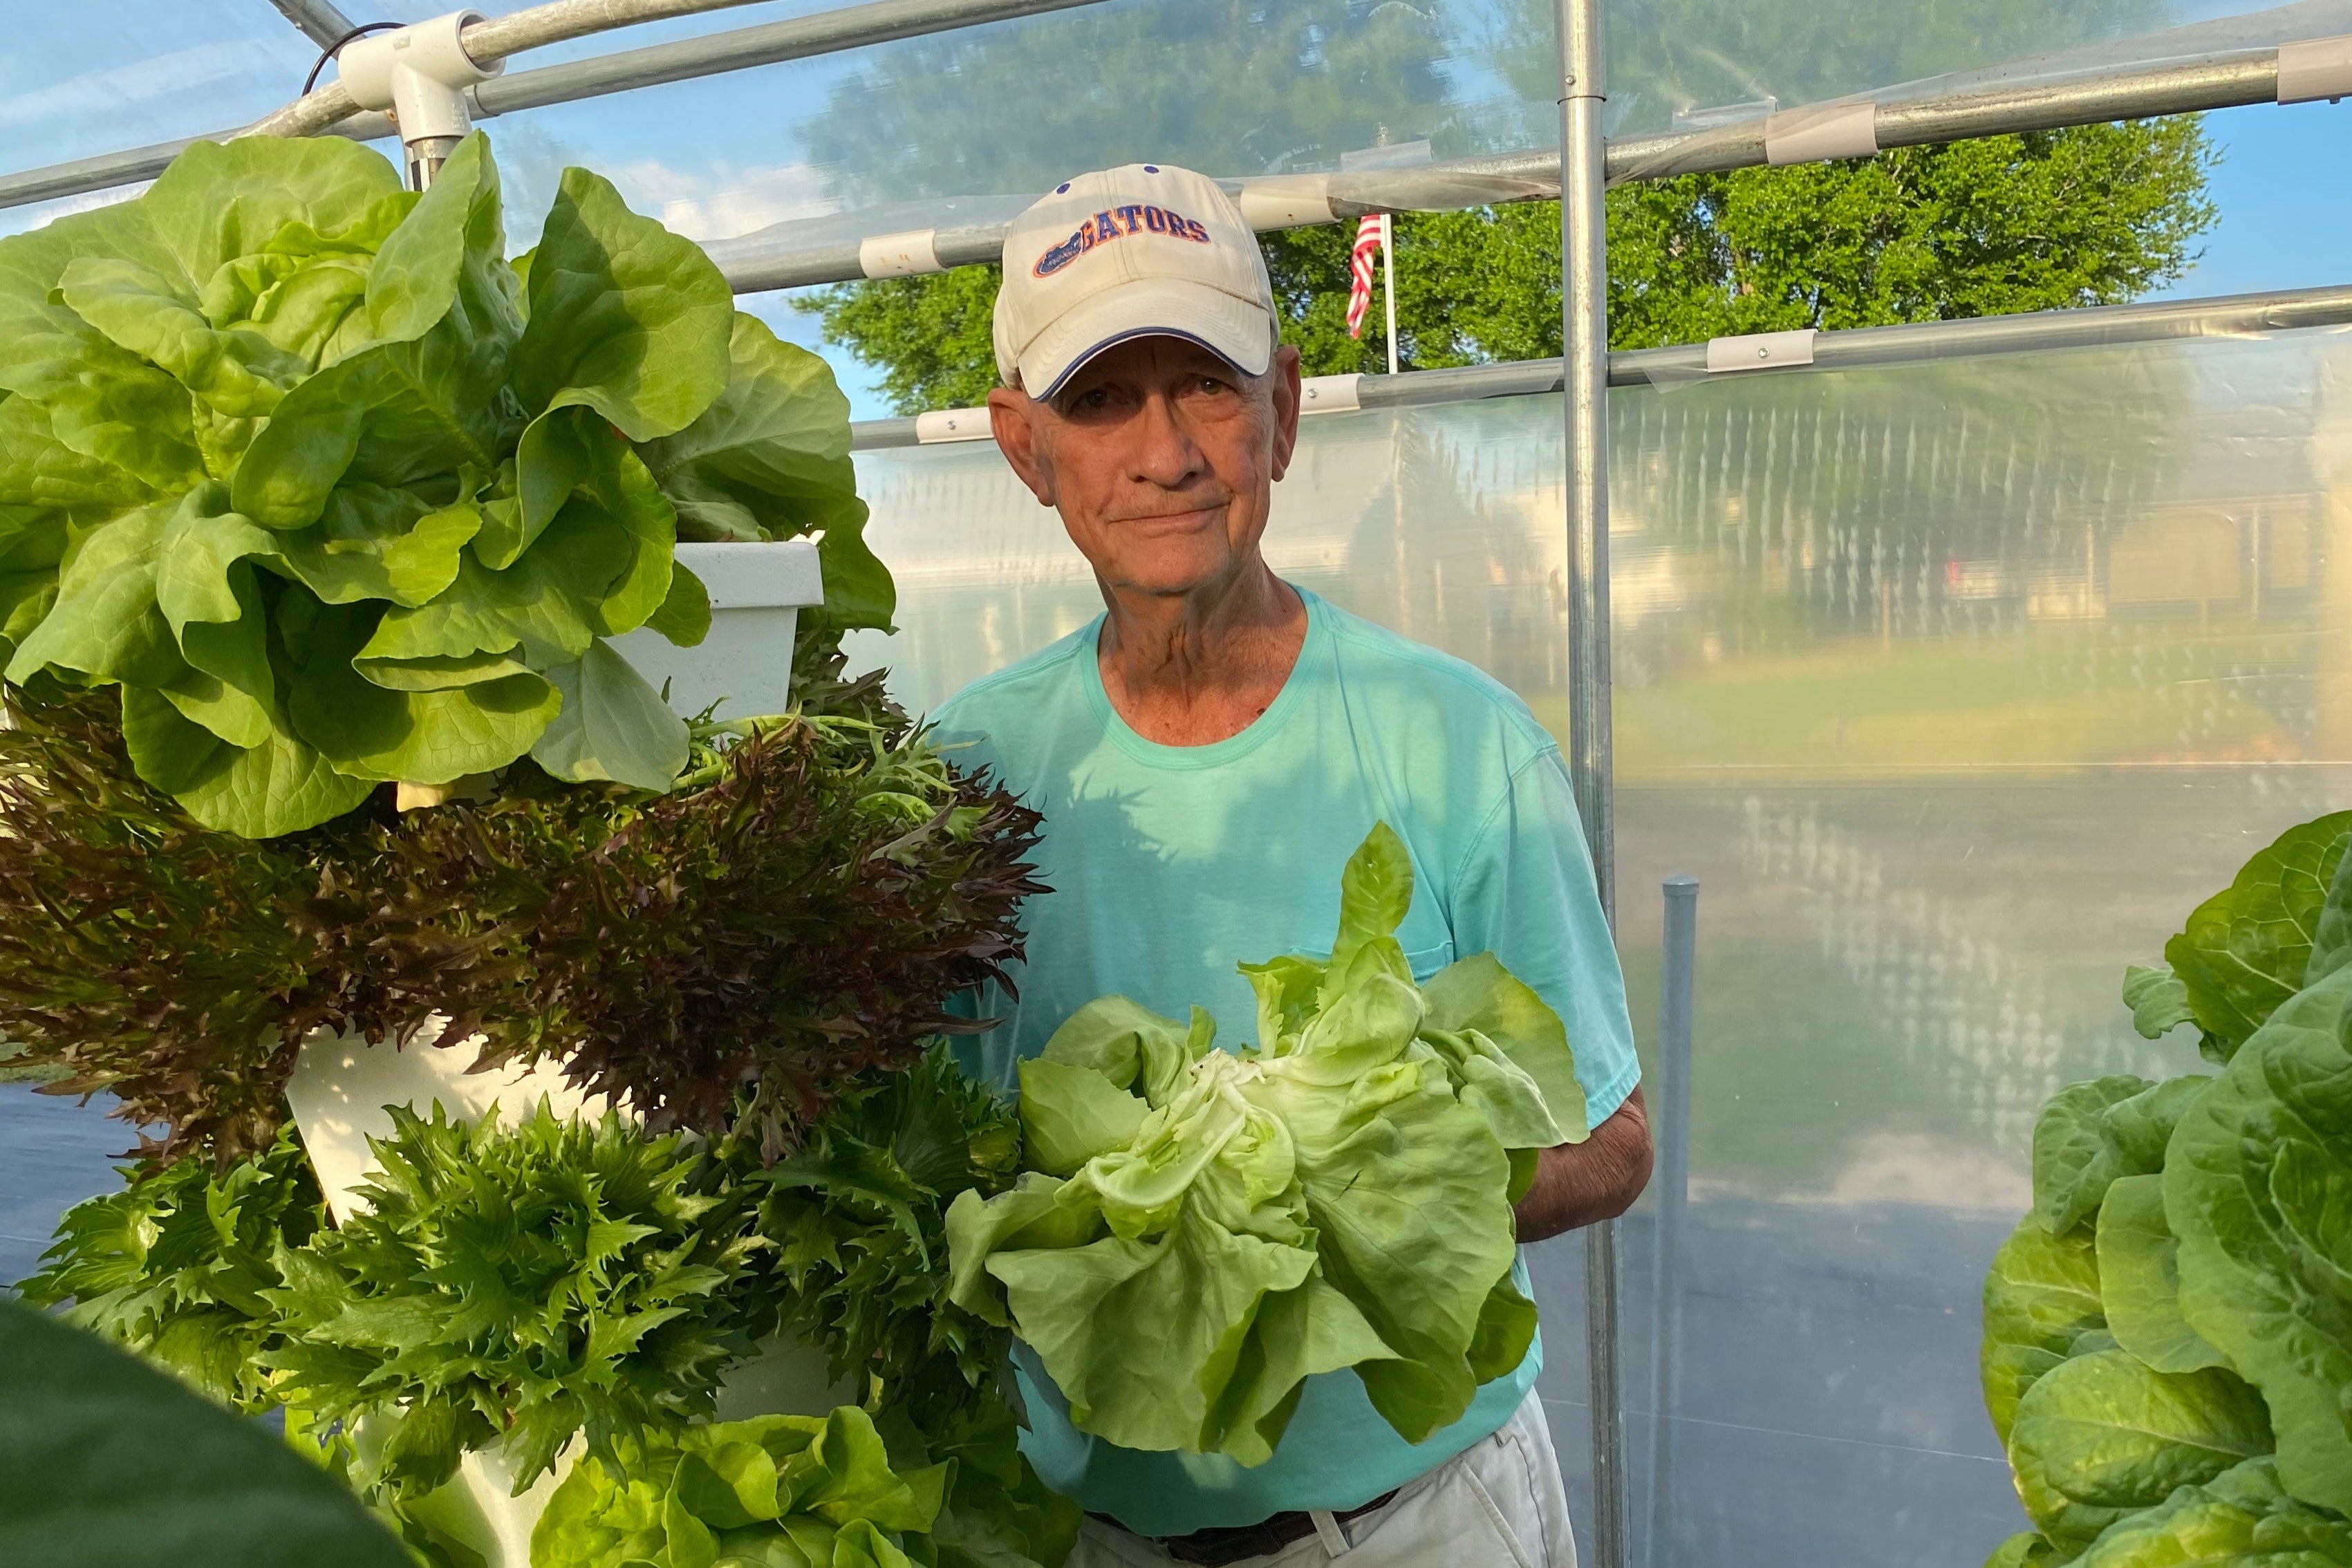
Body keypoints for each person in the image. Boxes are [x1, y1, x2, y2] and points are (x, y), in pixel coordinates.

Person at [929, 162, 1652, 1568]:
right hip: (1085, 1534)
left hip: (1413, 1525)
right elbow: (927, 1155)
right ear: (1026, 451)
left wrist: (1339, 1187)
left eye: (1204, 386)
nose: (1164, 453)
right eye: (1100, 401)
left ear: (1285, 410)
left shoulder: (1459, 744)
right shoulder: (966, 774)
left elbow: (1612, 1142)